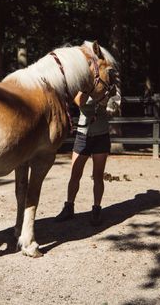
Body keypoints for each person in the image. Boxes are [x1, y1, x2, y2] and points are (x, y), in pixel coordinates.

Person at [54, 91, 113, 226]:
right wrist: (95, 94)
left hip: (101, 136)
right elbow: (79, 101)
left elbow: (112, 108)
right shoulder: (82, 89)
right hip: (82, 136)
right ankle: (69, 207)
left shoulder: (108, 89)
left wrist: (108, 96)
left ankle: (96, 209)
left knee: (98, 175)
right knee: (75, 174)